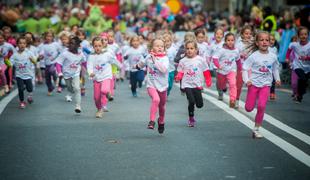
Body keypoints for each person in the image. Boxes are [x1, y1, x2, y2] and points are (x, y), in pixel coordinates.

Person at [242, 31, 281, 139]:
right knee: (249, 108)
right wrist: (247, 80)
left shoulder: (273, 56)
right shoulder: (253, 56)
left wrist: (277, 79)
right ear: (257, 42)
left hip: (266, 85)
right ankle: (249, 104)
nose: (264, 42)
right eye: (262, 40)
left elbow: (275, 69)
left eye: (267, 40)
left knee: (261, 106)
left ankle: (256, 129)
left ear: (270, 42)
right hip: (253, 84)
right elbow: (245, 68)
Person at [135, 38, 169, 134]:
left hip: (162, 86)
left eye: (161, 46)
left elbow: (163, 70)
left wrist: (155, 61)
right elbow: (142, 64)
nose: (159, 48)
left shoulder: (165, 58)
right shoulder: (149, 57)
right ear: (152, 47)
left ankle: (161, 121)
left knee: (162, 106)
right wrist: (136, 66)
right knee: (156, 100)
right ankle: (152, 121)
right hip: (151, 85)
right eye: (157, 46)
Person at [175, 40, 212, 127]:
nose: (189, 50)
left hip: (197, 84)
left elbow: (206, 70)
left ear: (196, 50)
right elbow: (180, 71)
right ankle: (191, 118)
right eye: (187, 48)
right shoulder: (183, 61)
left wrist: (208, 79)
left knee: (199, 105)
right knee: (191, 101)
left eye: (192, 48)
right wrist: (178, 77)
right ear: (185, 50)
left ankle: (194, 110)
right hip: (187, 84)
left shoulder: (200, 60)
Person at [87, 36, 121, 118]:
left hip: (106, 76)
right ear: (93, 46)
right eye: (95, 46)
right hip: (97, 78)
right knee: (96, 98)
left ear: (103, 45)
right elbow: (89, 66)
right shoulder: (91, 56)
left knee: (104, 90)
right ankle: (99, 109)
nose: (98, 48)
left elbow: (114, 61)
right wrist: (90, 73)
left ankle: (108, 93)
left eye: (99, 46)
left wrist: (119, 66)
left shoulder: (107, 54)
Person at [56, 36, 85, 113]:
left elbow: (84, 61)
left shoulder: (80, 53)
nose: (71, 45)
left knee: (77, 88)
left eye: (73, 44)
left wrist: (89, 70)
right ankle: (69, 92)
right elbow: (58, 63)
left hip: (76, 73)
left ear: (78, 45)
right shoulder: (65, 53)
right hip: (66, 75)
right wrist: (59, 73)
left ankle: (78, 106)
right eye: (70, 43)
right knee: (70, 89)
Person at [212, 33, 241, 108]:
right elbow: (215, 58)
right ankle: (223, 87)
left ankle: (232, 100)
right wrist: (218, 66)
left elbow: (238, 60)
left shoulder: (236, 50)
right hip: (221, 71)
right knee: (221, 86)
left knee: (233, 84)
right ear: (225, 41)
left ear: (234, 41)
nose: (230, 42)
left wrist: (240, 69)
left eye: (232, 40)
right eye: (228, 40)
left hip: (231, 70)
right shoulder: (222, 50)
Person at [10, 36, 36, 108]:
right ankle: (22, 102)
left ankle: (29, 96)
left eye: (24, 43)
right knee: (20, 89)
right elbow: (10, 64)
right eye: (20, 43)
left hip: (28, 74)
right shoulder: (14, 55)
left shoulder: (29, 53)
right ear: (17, 44)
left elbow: (35, 62)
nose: (22, 45)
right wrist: (7, 63)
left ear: (26, 44)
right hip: (19, 75)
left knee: (30, 88)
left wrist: (32, 60)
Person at [286, 26, 310, 103]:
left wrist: (307, 58)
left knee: (304, 80)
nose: (304, 36)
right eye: (302, 34)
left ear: (308, 35)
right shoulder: (294, 44)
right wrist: (287, 58)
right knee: (302, 78)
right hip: (297, 65)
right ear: (298, 36)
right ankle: (299, 96)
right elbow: (289, 49)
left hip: (308, 67)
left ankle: (301, 92)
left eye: (305, 34)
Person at [235, 25, 254, 108]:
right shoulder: (238, 45)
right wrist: (240, 55)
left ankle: (249, 101)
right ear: (242, 35)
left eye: (250, 33)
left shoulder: (253, 45)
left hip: (250, 68)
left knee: (251, 85)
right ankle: (236, 100)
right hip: (241, 67)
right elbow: (235, 55)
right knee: (239, 85)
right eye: (246, 33)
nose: (248, 35)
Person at [38, 30, 59, 96]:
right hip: (46, 63)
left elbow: (60, 51)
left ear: (53, 37)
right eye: (47, 36)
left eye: (50, 36)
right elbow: (41, 53)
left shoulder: (55, 44)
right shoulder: (42, 45)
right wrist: (41, 56)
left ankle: (56, 79)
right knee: (47, 78)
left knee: (52, 70)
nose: (48, 38)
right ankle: (50, 89)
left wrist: (56, 56)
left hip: (54, 62)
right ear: (44, 37)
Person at [163, 32, 177, 96]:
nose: (166, 43)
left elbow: (177, 58)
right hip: (164, 70)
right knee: (166, 83)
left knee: (170, 85)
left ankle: (167, 92)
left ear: (171, 41)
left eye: (168, 41)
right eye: (165, 41)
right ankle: (164, 93)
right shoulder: (162, 49)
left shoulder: (173, 49)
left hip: (171, 70)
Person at [269, 33, 279, 100]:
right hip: (265, 68)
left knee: (273, 81)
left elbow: (275, 58)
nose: (271, 41)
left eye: (273, 40)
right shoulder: (265, 47)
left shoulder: (275, 49)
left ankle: (272, 93)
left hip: (272, 68)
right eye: (270, 40)